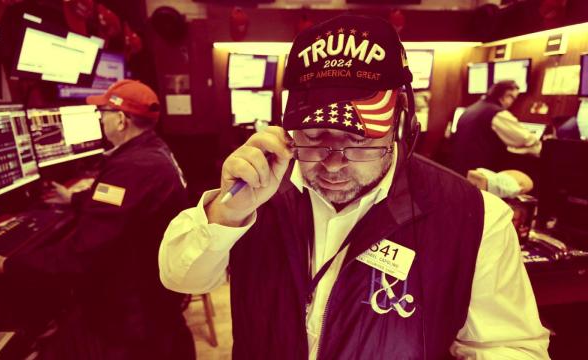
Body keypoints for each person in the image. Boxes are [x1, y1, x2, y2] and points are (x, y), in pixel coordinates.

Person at [159, 15, 549, 359]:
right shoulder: (262, 188)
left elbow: (511, 346)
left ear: (400, 124)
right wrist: (225, 214)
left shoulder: (475, 217)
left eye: (359, 141)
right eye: (315, 135)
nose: (333, 163)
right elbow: (181, 279)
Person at [0, 80, 195, 359]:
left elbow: (83, 254)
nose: (101, 120)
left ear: (122, 120)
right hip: (157, 295)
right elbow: (125, 205)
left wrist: (4, 264)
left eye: (103, 113)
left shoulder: (132, 167)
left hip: (135, 316)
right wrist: (74, 199)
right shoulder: (152, 152)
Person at [450, 80, 542, 176]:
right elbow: (525, 139)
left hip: (459, 168)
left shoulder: (470, 109)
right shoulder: (497, 113)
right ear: (506, 95)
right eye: (513, 98)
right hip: (479, 172)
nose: (512, 102)